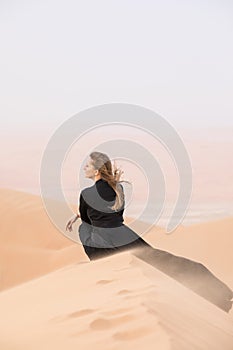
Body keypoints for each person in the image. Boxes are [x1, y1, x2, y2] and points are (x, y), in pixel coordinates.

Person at [66, 151, 233, 312]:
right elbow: (114, 213)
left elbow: (88, 222)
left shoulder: (86, 194)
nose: (84, 168)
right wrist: (82, 214)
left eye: (87, 165)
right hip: (124, 235)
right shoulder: (118, 189)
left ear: (96, 171)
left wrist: (80, 217)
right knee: (163, 262)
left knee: (84, 230)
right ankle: (220, 295)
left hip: (103, 240)